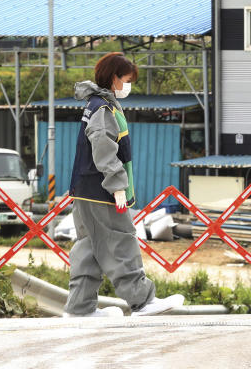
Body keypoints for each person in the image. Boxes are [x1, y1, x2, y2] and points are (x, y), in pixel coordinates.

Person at [64, 52, 184, 317]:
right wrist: (117, 186)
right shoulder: (104, 109)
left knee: (90, 248)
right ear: (114, 77)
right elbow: (104, 149)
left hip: (85, 191)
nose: (129, 85)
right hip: (102, 191)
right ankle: (142, 302)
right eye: (127, 80)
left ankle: (79, 309)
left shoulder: (95, 104)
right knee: (121, 242)